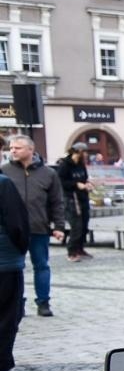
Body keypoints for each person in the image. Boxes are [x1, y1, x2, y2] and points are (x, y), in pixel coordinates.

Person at [1, 135, 66, 317]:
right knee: (15, 268)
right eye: (12, 148)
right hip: (12, 230)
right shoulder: (4, 171)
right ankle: (17, 303)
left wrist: (59, 226)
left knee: (41, 266)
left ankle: (43, 302)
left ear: (31, 150)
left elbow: (57, 202)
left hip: (38, 227)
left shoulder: (48, 173)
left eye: (18, 148)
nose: (13, 151)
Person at [0, 169, 27, 371]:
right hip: (5, 264)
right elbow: (17, 225)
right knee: (7, 319)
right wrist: (19, 249)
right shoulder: (4, 184)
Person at [55, 144, 93, 262]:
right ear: (78, 152)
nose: (86, 155)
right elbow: (60, 182)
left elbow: (84, 178)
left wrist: (87, 184)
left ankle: (80, 248)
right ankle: (71, 251)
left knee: (84, 225)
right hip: (71, 198)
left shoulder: (81, 164)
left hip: (83, 197)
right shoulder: (65, 165)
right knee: (76, 226)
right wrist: (76, 184)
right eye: (85, 152)